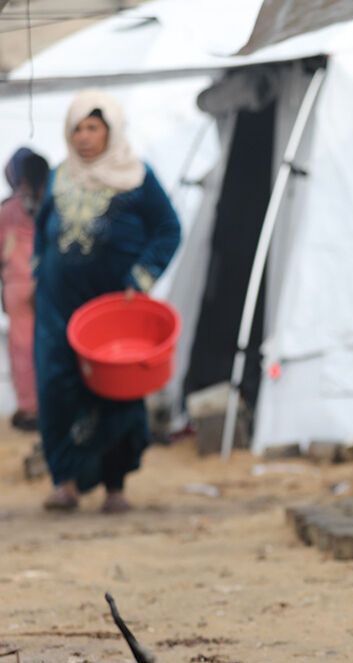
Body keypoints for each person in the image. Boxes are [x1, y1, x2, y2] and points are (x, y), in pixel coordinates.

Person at [32, 90, 181, 513]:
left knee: (115, 391)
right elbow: (42, 231)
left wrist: (142, 275)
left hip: (113, 310)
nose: (84, 136)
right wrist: (38, 272)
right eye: (77, 128)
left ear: (111, 130)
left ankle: (115, 486)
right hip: (58, 309)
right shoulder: (60, 176)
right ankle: (65, 483)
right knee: (57, 390)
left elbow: (169, 229)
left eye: (93, 127)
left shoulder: (136, 177)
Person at [0, 147, 49, 431]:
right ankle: (53, 404)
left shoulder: (8, 210)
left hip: (18, 286)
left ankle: (30, 408)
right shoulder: (52, 203)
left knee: (22, 349)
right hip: (49, 283)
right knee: (51, 344)